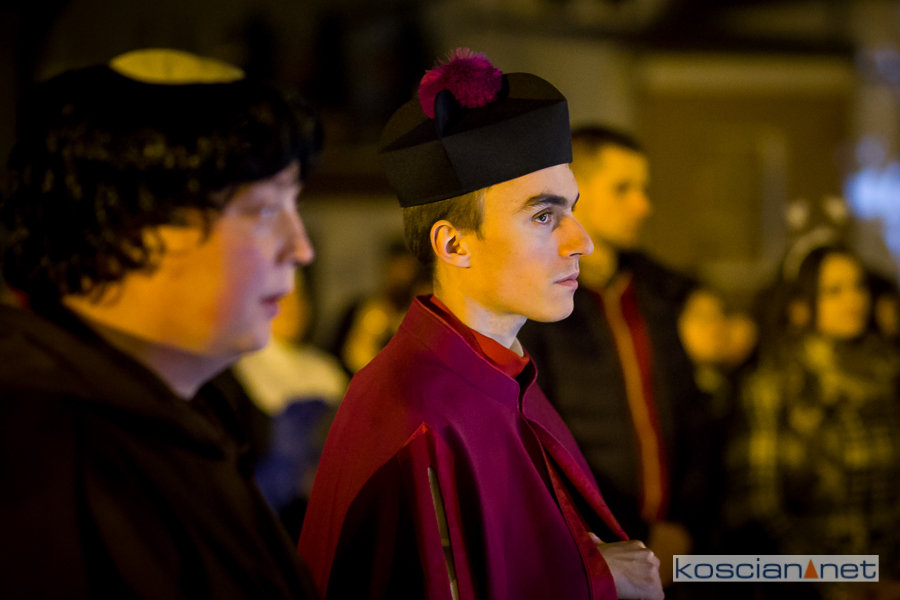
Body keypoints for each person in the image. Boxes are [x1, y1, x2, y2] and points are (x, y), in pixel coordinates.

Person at [298, 49, 663, 600]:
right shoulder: (411, 410)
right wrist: (597, 579)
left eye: (573, 209)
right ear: (454, 245)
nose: (581, 242)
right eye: (544, 216)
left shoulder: (501, 374)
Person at [0, 49, 320, 598]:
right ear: (130, 222)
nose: (301, 249)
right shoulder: (36, 458)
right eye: (265, 210)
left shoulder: (194, 409)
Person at [518, 125, 711, 586]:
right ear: (575, 193)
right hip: (592, 550)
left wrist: (689, 523)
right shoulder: (542, 306)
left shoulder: (657, 296)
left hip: (683, 545)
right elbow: (546, 439)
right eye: (623, 189)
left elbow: (693, 417)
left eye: (643, 189)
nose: (643, 206)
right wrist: (635, 535)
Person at [726, 243, 900, 599]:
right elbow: (762, 506)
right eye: (833, 291)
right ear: (800, 306)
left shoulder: (887, 374)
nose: (853, 300)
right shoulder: (775, 385)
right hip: (812, 584)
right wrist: (837, 580)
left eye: (858, 286)